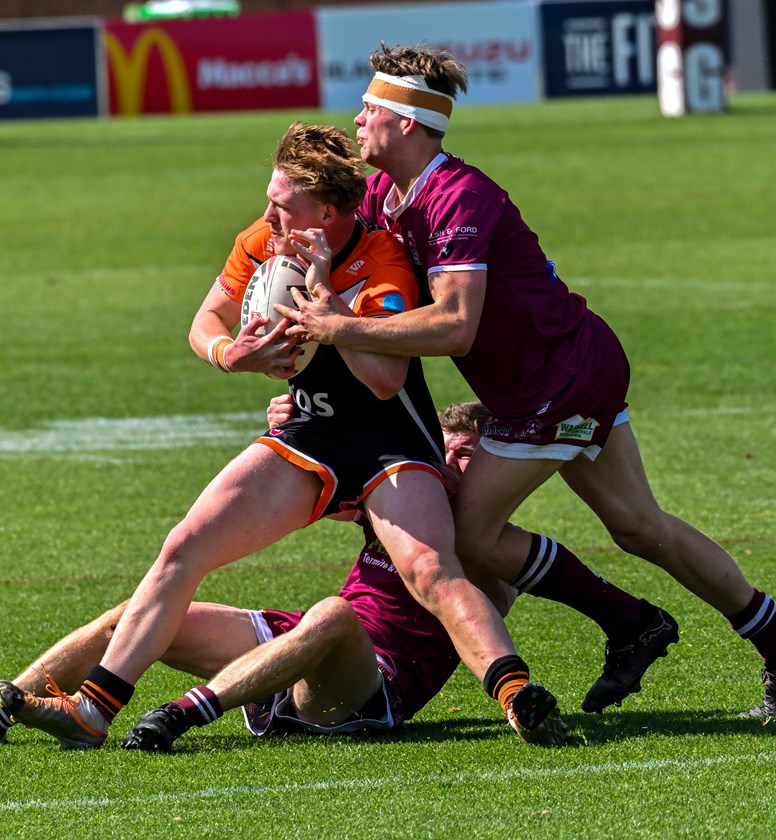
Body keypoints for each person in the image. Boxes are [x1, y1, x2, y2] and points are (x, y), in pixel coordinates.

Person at [0, 122, 572, 751]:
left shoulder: (380, 259)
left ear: (326, 213)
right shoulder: (261, 240)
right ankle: (80, 710)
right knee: (184, 546)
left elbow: (385, 382)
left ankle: (514, 692)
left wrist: (326, 303)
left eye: (282, 203)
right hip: (309, 434)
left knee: (430, 567)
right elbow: (206, 321)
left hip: (390, 445)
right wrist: (230, 354)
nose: (268, 212)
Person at [275, 43, 776, 720]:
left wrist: (338, 329)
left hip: (560, 381)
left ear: (408, 123)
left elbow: (454, 325)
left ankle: (630, 622)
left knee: (471, 537)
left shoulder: (461, 197)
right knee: (640, 528)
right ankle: (767, 637)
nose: (357, 119)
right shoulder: (379, 197)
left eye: (369, 108)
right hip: (555, 375)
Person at [0, 401, 516, 751]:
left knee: (333, 613)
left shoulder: (495, 547)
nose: (450, 460)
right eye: (444, 448)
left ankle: (184, 713)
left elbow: (482, 594)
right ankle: (8, 702)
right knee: (133, 616)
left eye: (467, 454)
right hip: (298, 644)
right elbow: (324, 478)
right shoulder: (403, 506)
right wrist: (297, 425)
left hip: (366, 686)